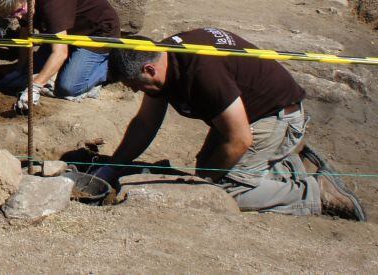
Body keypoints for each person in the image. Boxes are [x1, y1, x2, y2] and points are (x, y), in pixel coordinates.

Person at [95, 27, 366, 221]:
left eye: (135, 85)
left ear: (149, 70)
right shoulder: (162, 56)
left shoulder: (201, 71)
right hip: (247, 115)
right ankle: (290, 167)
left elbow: (239, 139)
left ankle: (317, 193)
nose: (135, 91)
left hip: (275, 117)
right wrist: (111, 168)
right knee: (206, 168)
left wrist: (206, 185)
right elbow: (145, 123)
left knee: (225, 190)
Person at [0, 0, 120, 109]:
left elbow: (60, 53)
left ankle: (105, 69)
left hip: (96, 33)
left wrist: (34, 88)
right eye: (12, 15)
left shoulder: (53, 0)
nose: (19, 17)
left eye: (20, 11)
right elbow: (25, 33)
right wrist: (20, 68)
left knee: (67, 88)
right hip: (65, 30)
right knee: (26, 76)